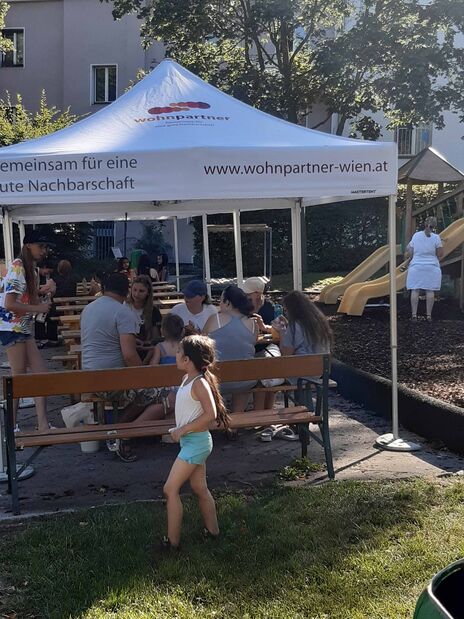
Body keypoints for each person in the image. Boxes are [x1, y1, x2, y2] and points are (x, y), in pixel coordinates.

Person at [81, 272, 165, 461]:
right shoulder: (122, 312)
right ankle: (122, 431)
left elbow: (103, 340)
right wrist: (144, 377)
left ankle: (118, 430)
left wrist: (135, 344)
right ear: (126, 291)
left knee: (145, 390)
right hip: (112, 380)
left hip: (88, 377)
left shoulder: (88, 309)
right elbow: (129, 355)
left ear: (104, 289)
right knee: (155, 392)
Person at [161, 334, 229, 550]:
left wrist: (183, 429)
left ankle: (172, 544)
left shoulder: (199, 383)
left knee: (170, 489)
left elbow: (211, 414)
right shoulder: (187, 379)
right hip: (191, 441)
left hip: (196, 443)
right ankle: (214, 533)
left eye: (179, 352)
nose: (175, 354)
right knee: (199, 487)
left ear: (188, 360)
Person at [0, 230, 53, 433]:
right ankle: (12, 427)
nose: (44, 250)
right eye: (41, 246)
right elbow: (9, 303)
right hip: (12, 327)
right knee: (19, 378)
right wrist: (38, 307)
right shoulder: (18, 267)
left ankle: (42, 424)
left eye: (45, 247)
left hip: (21, 327)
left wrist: (43, 293)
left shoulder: (30, 268)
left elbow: (26, 299)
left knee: (40, 374)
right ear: (28, 245)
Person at [203, 285, 258, 413]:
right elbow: (251, 344)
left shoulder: (215, 319)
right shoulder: (253, 324)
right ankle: (237, 416)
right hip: (245, 379)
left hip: (217, 379)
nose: (219, 304)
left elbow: (202, 344)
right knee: (243, 379)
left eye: (221, 301)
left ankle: (217, 414)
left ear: (227, 303)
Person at [404, 216, 444, 322]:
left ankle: (414, 315)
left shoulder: (416, 235)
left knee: (415, 290)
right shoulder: (436, 237)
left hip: (416, 266)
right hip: (431, 267)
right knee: (430, 291)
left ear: (425, 224)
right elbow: (440, 254)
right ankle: (428, 316)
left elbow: (410, 251)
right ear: (434, 226)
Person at [146, 313, 185, 414]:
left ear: (162, 331)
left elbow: (152, 367)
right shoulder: (185, 346)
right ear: (182, 331)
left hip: (166, 386)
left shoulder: (160, 347)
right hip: (183, 384)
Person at [124, 275, 162, 353]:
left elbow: (156, 338)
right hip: (126, 349)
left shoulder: (154, 311)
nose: (136, 294)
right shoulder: (124, 307)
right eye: (134, 290)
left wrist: (145, 344)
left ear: (148, 292)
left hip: (147, 350)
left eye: (141, 291)